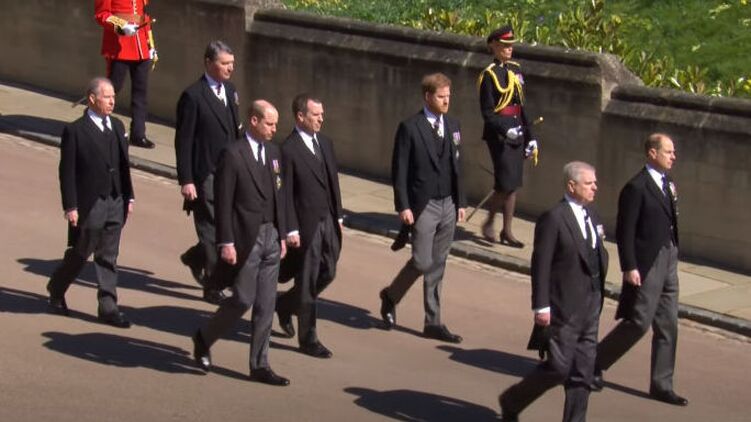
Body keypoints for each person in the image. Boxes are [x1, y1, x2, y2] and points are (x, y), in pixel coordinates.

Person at [499, 162, 608, 422]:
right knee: (559, 368)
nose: (595, 187)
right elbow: (541, 264)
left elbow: (597, 254)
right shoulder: (554, 218)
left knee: (583, 372)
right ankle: (512, 400)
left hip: (591, 303)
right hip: (563, 306)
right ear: (571, 185)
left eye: (594, 182)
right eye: (589, 183)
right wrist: (541, 306)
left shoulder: (592, 215)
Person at [191, 100, 289, 386]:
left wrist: (283, 234)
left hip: (272, 235)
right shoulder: (233, 154)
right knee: (243, 299)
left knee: (266, 304)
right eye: (269, 123)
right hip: (246, 237)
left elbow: (280, 195)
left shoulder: (274, 153)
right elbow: (223, 201)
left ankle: (260, 365)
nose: (274, 129)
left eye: (276, 124)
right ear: (254, 121)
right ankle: (204, 337)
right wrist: (226, 241)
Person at [593, 133, 688, 406]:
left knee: (668, 324)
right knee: (639, 322)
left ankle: (662, 384)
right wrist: (630, 266)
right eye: (668, 151)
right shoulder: (637, 187)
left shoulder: (668, 183)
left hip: (669, 257)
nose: (673, 156)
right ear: (652, 153)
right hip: (647, 262)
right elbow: (625, 230)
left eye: (673, 152)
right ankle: (593, 362)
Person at [378, 73, 466, 343]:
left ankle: (433, 322)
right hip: (423, 205)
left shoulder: (453, 125)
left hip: (448, 202)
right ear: (428, 97)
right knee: (421, 261)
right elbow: (400, 170)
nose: (446, 101)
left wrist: (461, 201)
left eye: (448, 97)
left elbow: (457, 166)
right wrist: (403, 206)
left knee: (438, 263)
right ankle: (391, 295)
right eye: (441, 97)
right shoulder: (410, 127)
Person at [46, 77, 135, 328]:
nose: (112, 101)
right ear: (92, 99)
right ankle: (57, 286)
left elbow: (123, 165)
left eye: (113, 97)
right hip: (90, 202)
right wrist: (71, 206)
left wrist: (129, 195)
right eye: (107, 97)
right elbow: (67, 172)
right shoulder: (75, 131)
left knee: (108, 255)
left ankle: (108, 307)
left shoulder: (117, 126)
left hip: (115, 200)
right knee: (81, 252)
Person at [275, 94, 343, 359]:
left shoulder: (325, 143)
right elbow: (285, 194)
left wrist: (339, 216)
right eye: (316, 114)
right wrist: (290, 229)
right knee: (307, 281)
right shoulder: (288, 149)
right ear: (300, 116)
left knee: (328, 272)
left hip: (329, 221)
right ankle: (308, 339)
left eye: (322, 114)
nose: (321, 119)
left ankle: (285, 303)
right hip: (305, 226)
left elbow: (333, 181)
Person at [175, 40, 241, 304]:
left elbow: (235, 131)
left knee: (231, 225)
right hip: (206, 174)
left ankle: (196, 256)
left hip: (230, 173)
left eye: (232, 63)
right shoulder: (193, 96)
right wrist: (187, 179)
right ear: (208, 63)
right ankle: (213, 285)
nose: (230, 68)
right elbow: (184, 141)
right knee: (213, 230)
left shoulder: (231, 91)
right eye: (224, 63)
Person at [478, 25, 539, 248]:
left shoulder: (515, 70)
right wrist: (505, 130)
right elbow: (487, 113)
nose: (509, 49)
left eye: (511, 45)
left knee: (513, 184)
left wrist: (531, 137)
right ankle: (489, 221)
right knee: (505, 182)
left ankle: (507, 230)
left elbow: (521, 106)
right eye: (504, 46)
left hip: (518, 130)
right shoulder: (489, 75)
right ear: (494, 46)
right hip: (499, 135)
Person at [94, 0, 157, 149]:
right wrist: (121, 26)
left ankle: (138, 134)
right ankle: (93, 123)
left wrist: (150, 45)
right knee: (112, 88)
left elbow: (143, 16)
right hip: (120, 44)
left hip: (141, 45)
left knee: (140, 93)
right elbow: (102, 14)